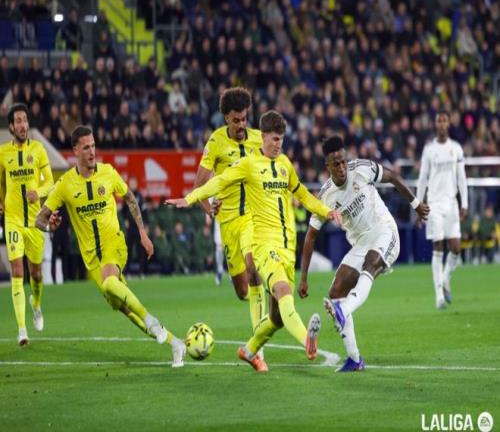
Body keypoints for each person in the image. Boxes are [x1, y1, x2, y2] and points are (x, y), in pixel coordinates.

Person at [167, 111, 342, 372]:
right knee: (282, 291)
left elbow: (303, 194)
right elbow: (219, 181)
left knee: (277, 318)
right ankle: (308, 339)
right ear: (263, 137)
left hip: (287, 247)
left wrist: (326, 211)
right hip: (263, 246)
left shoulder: (284, 164)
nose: (279, 144)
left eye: (281, 139)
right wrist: (190, 198)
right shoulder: (249, 164)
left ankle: (249, 350)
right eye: (274, 139)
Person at [35, 125, 186, 368]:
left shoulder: (108, 172)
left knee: (109, 282)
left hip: (114, 243)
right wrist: (50, 227)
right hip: (91, 259)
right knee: (124, 307)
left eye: (93, 146)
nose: (92, 151)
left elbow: (130, 199)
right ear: (76, 151)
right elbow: (39, 220)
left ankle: (151, 320)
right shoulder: (64, 185)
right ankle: (174, 343)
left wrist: (143, 233)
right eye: (86, 147)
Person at [299, 136, 429, 372]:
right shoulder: (326, 196)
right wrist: (304, 277)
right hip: (360, 243)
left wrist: (416, 204)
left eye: (343, 161)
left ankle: (344, 309)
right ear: (327, 166)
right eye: (335, 164)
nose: (341, 167)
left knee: (370, 263)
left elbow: (393, 177)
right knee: (336, 291)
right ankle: (354, 359)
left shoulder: (361, 168)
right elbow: (310, 236)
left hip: (384, 230)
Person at [193, 87, 265, 354]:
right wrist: (208, 209)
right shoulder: (215, 142)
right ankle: (261, 299)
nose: (241, 125)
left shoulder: (258, 139)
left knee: (253, 267)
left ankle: (258, 347)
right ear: (226, 118)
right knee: (242, 291)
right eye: (236, 120)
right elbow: (199, 186)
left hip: (252, 219)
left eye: (244, 119)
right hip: (228, 223)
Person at [0, 103, 54, 346]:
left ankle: (37, 305)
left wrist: (38, 192)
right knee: (17, 271)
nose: (23, 125)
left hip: (35, 222)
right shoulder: (3, 153)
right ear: (11, 127)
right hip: (13, 220)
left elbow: (50, 182)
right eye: (18, 121)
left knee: (36, 274)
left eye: (25, 120)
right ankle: (22, 329)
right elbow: (1, 182)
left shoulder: (39, 149)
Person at [416, 110, 468, 309]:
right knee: (438, 246)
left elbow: (462, 178)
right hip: (434, 204)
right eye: (439, 121)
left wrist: (464, 204)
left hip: (451, 203)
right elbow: (422, 178)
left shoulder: (456, 148)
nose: (442, 124)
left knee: (455, 248)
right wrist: (418, 204)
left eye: (445, 121)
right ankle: (438, 296)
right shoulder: (429, 150)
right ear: (435, 124)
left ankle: (446, 280)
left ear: (449, 124)